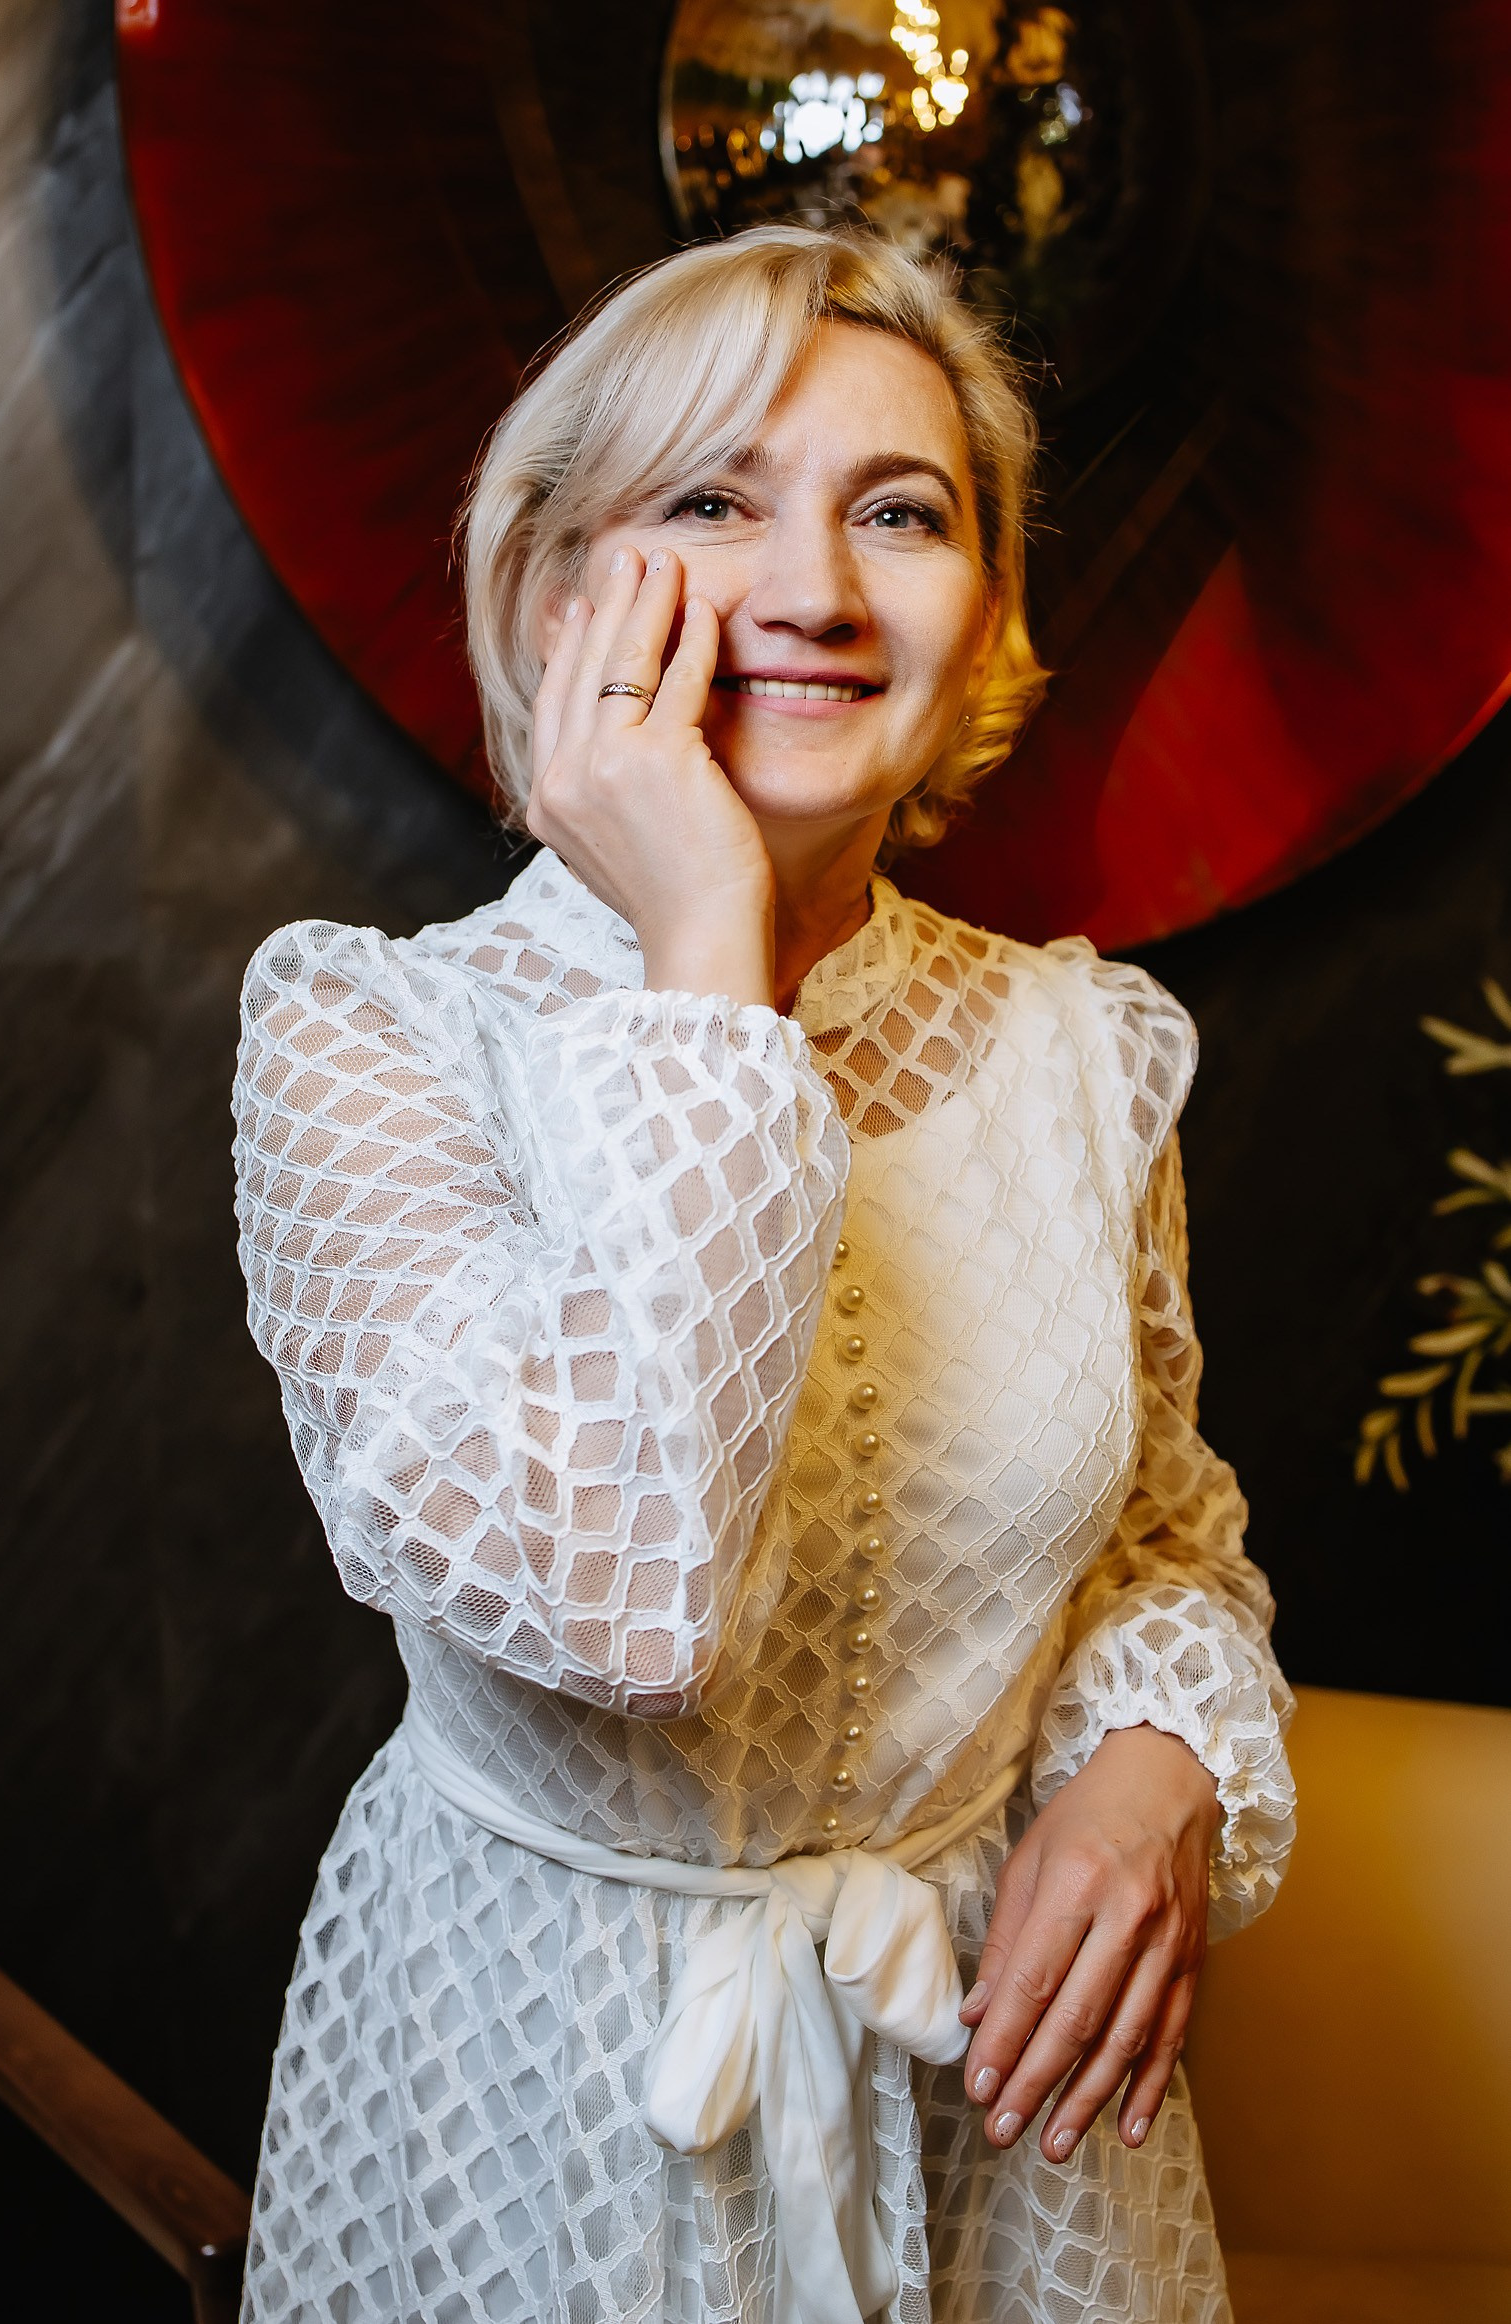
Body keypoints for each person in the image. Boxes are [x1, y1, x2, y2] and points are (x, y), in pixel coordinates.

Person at [231, 225, 1294, 2324]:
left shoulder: (1091, 1051)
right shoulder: (369, 1038)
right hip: (535, 2111)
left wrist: (1160, 1755)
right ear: (562, 592)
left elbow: (1160, 1542)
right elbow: (616, 1592)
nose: (814, 589)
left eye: (899, 514)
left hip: (1000, 2117)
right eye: (715, 501)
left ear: (982, 605)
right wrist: (708, 950)